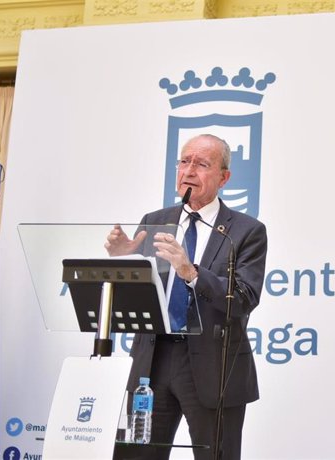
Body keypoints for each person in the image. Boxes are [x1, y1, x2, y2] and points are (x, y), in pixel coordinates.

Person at [106, 134, 268, 460]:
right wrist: (124, 258)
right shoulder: (154, 222)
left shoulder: (245, 231)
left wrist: (191, 272)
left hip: (213, 366)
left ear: (224, 177)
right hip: (152, 360)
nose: (189, 171)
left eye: (202, 164)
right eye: (184, 161)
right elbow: (137, 290)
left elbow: (245, 298)